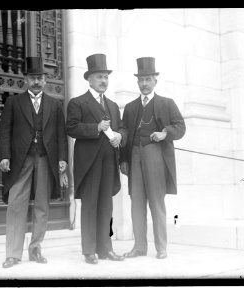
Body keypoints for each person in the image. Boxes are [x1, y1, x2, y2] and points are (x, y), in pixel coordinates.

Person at [0, 57, 68, 268]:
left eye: (40, 78)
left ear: (45, 80)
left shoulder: (55, 105)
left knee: (42, 205)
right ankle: (12, 254)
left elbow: (60, 135)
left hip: (46, 158)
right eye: (32, 78)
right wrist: (4, 156)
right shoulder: (13, 102)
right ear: (26, 80)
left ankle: (36, 249)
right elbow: (4, 132)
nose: (36, 82)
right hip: (21, 159)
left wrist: (63, 159)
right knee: (16, 204)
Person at [120, 57, 185, 260]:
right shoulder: (130, 108)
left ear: (155, 80)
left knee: (156, 202)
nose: (145, 84)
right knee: (136, 202)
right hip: (135, 156)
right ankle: (139, 247)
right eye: (141, 80)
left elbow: (180, 127)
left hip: (155, 155)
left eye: (148, 79)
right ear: (137, 82)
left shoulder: (167, 103)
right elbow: (125, 133)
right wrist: (123, 159)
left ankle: (161, 247)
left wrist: (165, 133)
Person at [66, 53, 127, 264]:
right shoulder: (77, 103)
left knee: (106, 206)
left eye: (106, 77)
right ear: (89, 79)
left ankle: (105, 249)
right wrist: (95, 128)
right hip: (89, 163)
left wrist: (119, 136)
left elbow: (120, 130)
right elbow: (71, 127)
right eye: (99, 77)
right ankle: (89, 251)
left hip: (109, 161)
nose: (103, 81)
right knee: (90, 206)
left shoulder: (111, 105)